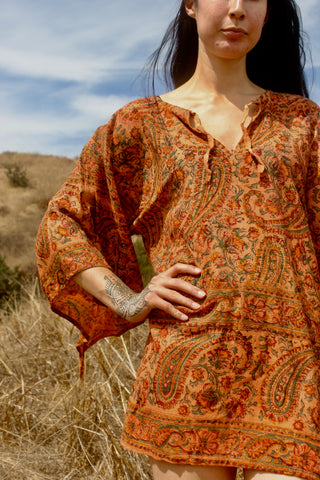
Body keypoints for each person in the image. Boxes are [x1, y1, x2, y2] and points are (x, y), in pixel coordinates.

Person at [36, 0, 320, 479]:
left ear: (268, 13)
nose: (236, 10)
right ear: (190, 5)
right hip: (185, 377)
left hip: (294, 376)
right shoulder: (139, 125)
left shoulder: (304, 124)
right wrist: (129, 300)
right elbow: (63, 222)